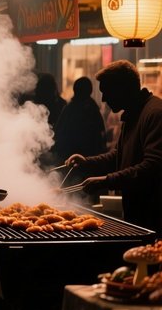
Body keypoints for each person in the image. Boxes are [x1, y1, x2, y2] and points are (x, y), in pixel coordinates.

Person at [65, 60, 162, 233]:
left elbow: (152, 167)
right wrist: (86, 162)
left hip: (154, 217)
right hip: (138, 215)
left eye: (106, 92)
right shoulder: (132, 114)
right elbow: (118, 155)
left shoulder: (155, 113)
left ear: (122, 89)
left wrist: (106, 181)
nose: (103, 99)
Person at [50, 76, 107, 166]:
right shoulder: (91, 107)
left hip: (77, 156)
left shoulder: (71, 108)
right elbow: (101, 132)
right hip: (84, 156)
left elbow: (59, 132)